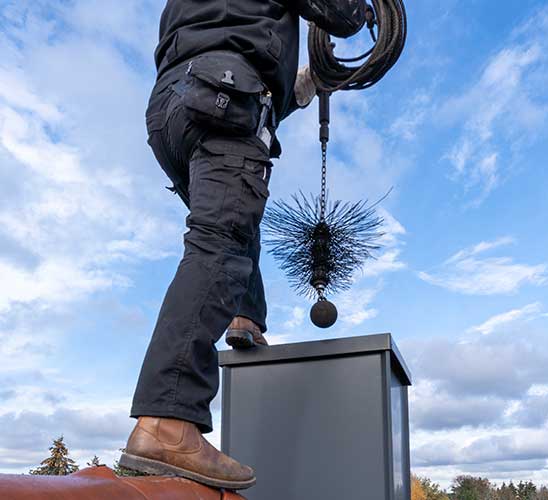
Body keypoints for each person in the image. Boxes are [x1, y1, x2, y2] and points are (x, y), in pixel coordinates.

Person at [120, 0, 366, 490]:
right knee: (221, 240)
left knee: (233, 220)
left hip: (174, 108)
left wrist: (301, 86)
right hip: (221, 95)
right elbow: (342, 14)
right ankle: (167, 421)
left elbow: (230, 44)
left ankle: (245, 317)